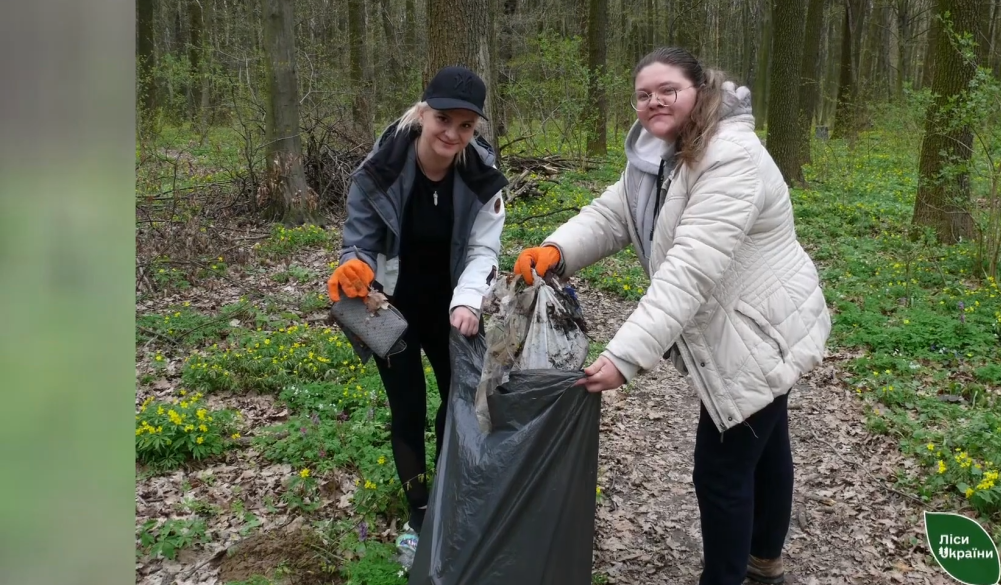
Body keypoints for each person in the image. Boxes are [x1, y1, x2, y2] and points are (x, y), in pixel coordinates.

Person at [513, 47, 832, 585]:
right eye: (643, 94)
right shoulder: (655, 153)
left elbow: (689, 273)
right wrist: (558, 249)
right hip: (753, 321)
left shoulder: (729, 156)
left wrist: (624, 356)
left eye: (667, 90)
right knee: (766, 440)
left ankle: (731, 575)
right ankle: (765, 559)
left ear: (699, 90)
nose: (654, 101)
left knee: (720, 473)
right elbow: (614, 213)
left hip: (756, 330)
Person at [327, 66, 509, 559]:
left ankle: (455, 502)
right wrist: (352, 269)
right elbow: (359, 241)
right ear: (423, 111)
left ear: (475, 130)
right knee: (406, 408)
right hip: (390, 310)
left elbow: (483, 251)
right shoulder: (379, 170)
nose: (452, 134)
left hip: (453, 308)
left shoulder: (481, 178)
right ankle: (419, 516)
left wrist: (469, 302)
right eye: (443, 119)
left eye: (466, 126)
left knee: (459, 408)